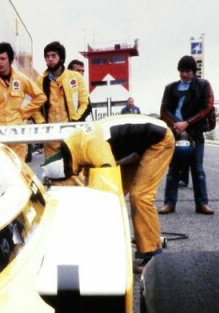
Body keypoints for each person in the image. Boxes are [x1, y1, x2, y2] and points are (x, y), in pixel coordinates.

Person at [49, 114, 174, 270]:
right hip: (137, 145)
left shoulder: (93, 147)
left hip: (159, 141)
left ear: (68, 166)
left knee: (140, 196)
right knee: (117, 194)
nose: (75, 173)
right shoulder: (77, 145)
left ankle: (152, 256)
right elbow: (92, 191)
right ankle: (124, 242)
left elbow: (107, 193)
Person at [158, 55, 216, 215]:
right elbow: (163, 111)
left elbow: (207, 107)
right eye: (182, 71)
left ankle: (202, 203)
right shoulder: (170, 88)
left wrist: (187, 123)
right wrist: (176, 125)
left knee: (197, 170)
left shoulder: (204, 85)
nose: (184, 75)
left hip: (195, 133)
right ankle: (169, 203)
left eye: (188, 71)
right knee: (173, 170)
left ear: (193, 72)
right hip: (175, 133)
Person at [0, 42, 46, 160]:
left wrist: (24, 112)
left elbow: (40, 97)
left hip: (17, 136)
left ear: (10, 60)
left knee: (18, 171)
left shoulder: (21, 79)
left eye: (3, 59)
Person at [33, 41, 90, 164]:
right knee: (53, 175)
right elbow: (35, 108)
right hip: (50, 139)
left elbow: (85, 103)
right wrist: (42, 124)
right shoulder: (40, 81)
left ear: (62, 58)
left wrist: (74, 121)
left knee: (75, 174)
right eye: (47, 56)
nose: (50, 59)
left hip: (72, 135)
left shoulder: (75, 77)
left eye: (53, 56)